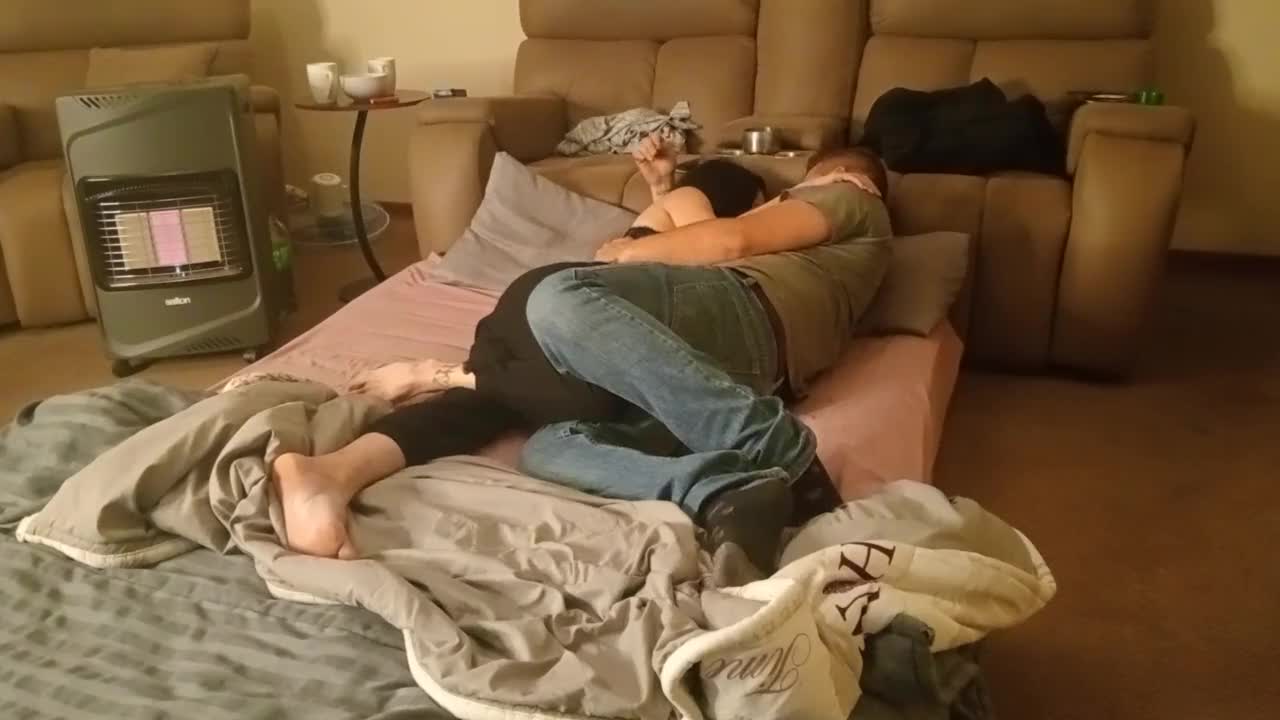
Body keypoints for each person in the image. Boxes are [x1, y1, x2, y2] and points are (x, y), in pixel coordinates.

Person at [272, 135, 839, 561]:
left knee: (493, 412)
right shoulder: (697, 202)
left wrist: (661, 189)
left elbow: (662, 234)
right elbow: (716, 249)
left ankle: (332, 473)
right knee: (571, 399)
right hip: (563, 310)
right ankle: (436, 375)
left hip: (542, 318)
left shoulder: (664, 211)